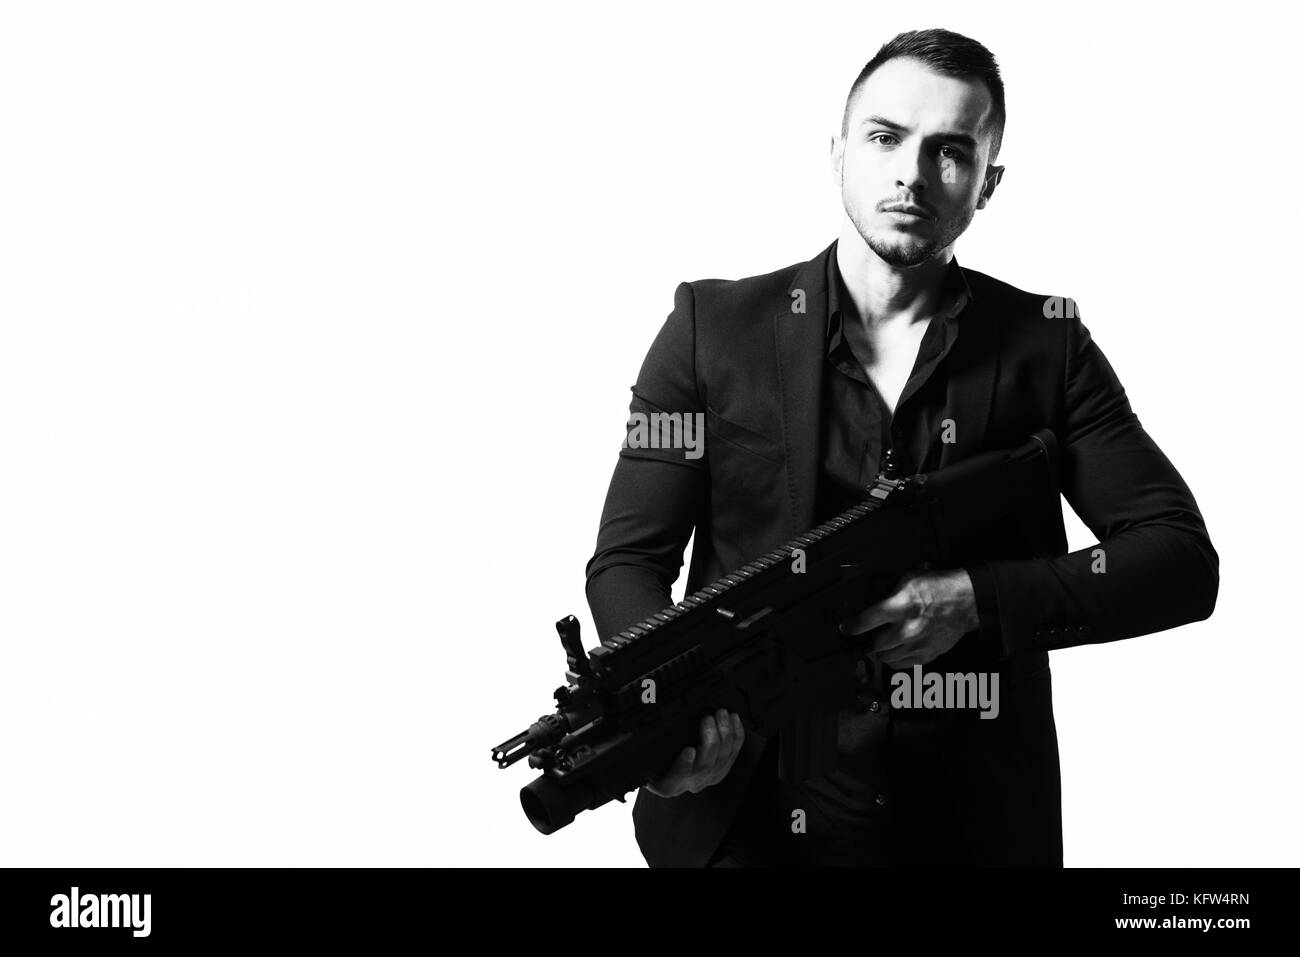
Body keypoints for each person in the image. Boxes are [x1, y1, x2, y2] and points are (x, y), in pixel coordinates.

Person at [583, 28, 1218, 868]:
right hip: (742, 821)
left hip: (972, 827)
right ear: (839, 150)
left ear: (988, 184)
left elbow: (1178, 560)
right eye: (885, 138)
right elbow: (627, 560)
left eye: (949, 151)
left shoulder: (1048, 345)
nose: (911, 174)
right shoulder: (711, 328)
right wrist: (670, 714)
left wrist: (975, 599)